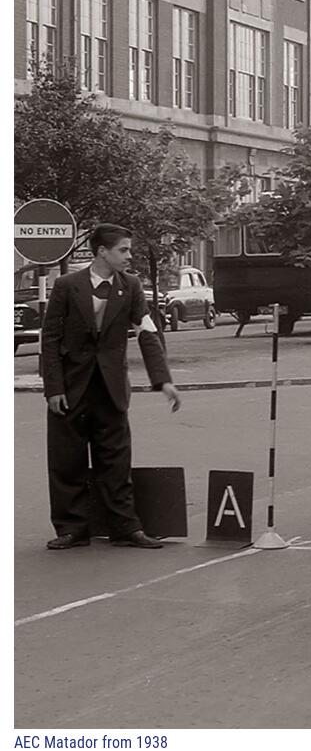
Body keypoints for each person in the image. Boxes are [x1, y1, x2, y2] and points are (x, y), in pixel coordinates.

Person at [40, 223, 182, 550]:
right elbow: (49, 340)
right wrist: (54, 388)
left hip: (111, 389)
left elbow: (147, 334)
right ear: (102, 251)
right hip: (71, 389)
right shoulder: (66, 285)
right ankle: (72, 529)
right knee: (67, 461)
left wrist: (163, 381)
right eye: (123, 250)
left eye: (129, 250)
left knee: (116, 462)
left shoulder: (130, 286)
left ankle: (125, 528)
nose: (129, 256)